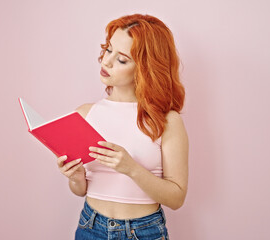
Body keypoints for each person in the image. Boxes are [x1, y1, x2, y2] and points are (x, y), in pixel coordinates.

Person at [56, 13, 188, 240]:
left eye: (122, 59)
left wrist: (131, 168)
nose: (106, 61)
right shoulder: (85, 114)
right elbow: (81, 190)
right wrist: (75, 178)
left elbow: (176, 198)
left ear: (145, 68)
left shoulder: (166, 120)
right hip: (90, 227)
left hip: (144, 232)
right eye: (108, 50)